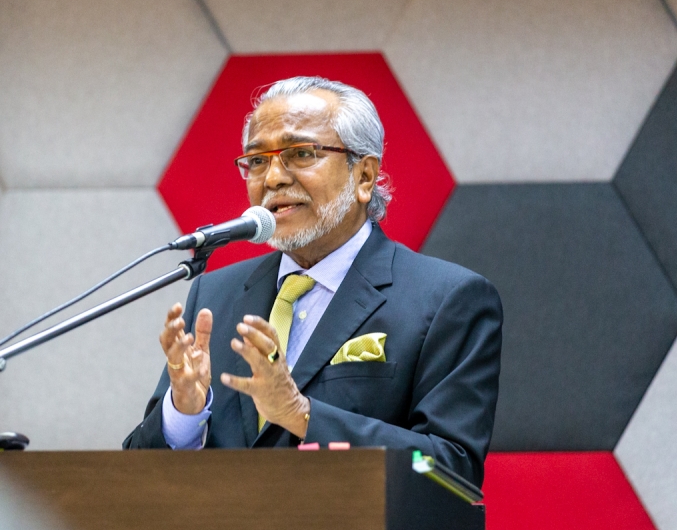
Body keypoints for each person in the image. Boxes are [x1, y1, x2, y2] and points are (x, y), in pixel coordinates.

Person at [123, 77, 501, 487]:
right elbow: (141, 477)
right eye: (257, 161)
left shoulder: (446, 299)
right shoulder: (214, 294)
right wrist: (185, 414)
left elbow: (451, 470)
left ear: (365, 176)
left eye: (301, 153)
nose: (273, 178)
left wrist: (302, 415)